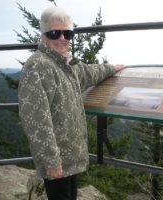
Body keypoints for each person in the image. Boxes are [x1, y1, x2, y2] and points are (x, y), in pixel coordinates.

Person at [18, 7, 124, 200]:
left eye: (67, 33)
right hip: (57, 157)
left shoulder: (65, 64)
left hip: (70, 156)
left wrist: (112, 68)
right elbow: (35, 119)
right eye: (54, 33)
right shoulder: (38, 65)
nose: (62, 38)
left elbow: (89, 73)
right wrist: (51, 161)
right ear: (43, 36)